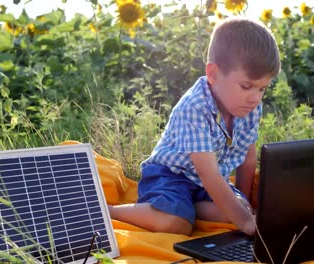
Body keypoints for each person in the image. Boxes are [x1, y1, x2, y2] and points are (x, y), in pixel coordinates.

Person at [109, 17, 281, 235]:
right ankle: (109, 211)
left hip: (204, 183)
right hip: (170, 175)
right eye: (246, 86)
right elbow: (209, 174)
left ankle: (190, 207)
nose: (255, 98)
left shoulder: (250, 107)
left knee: (240, 208)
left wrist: (245, 204)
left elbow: (247, 161)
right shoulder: (194, 107)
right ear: (213, 74)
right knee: (176, 223)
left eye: (262, 89)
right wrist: (247, 222)